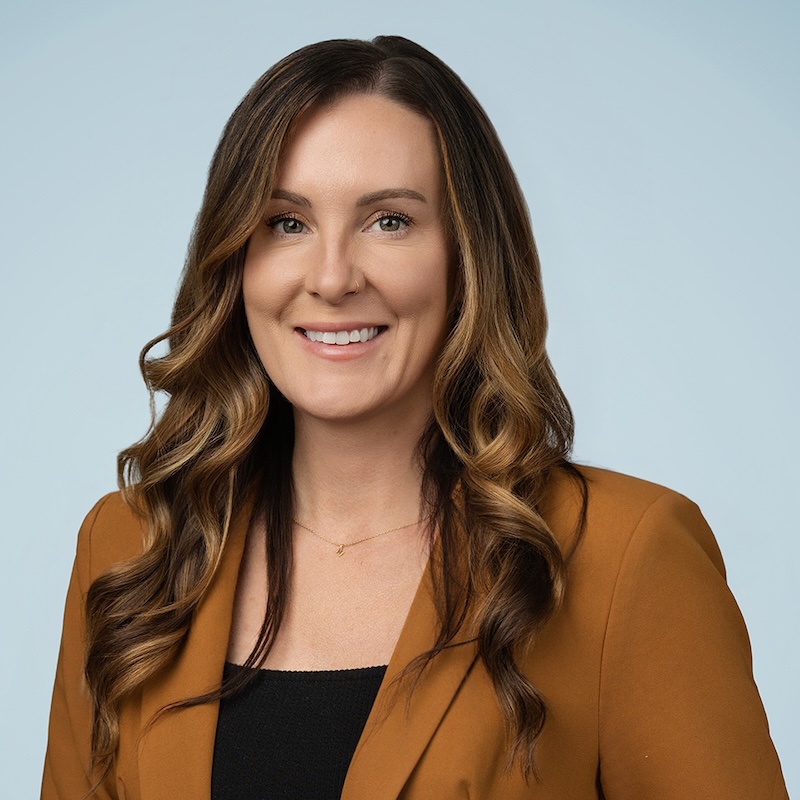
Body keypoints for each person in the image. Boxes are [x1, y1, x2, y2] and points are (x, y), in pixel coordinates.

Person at [42, 35, 788, 800]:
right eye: (287, 223)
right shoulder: (133, 551)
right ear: (235, 259)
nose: (332, 278)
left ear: (468, 257)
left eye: (389, 221)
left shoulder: (624, 558)